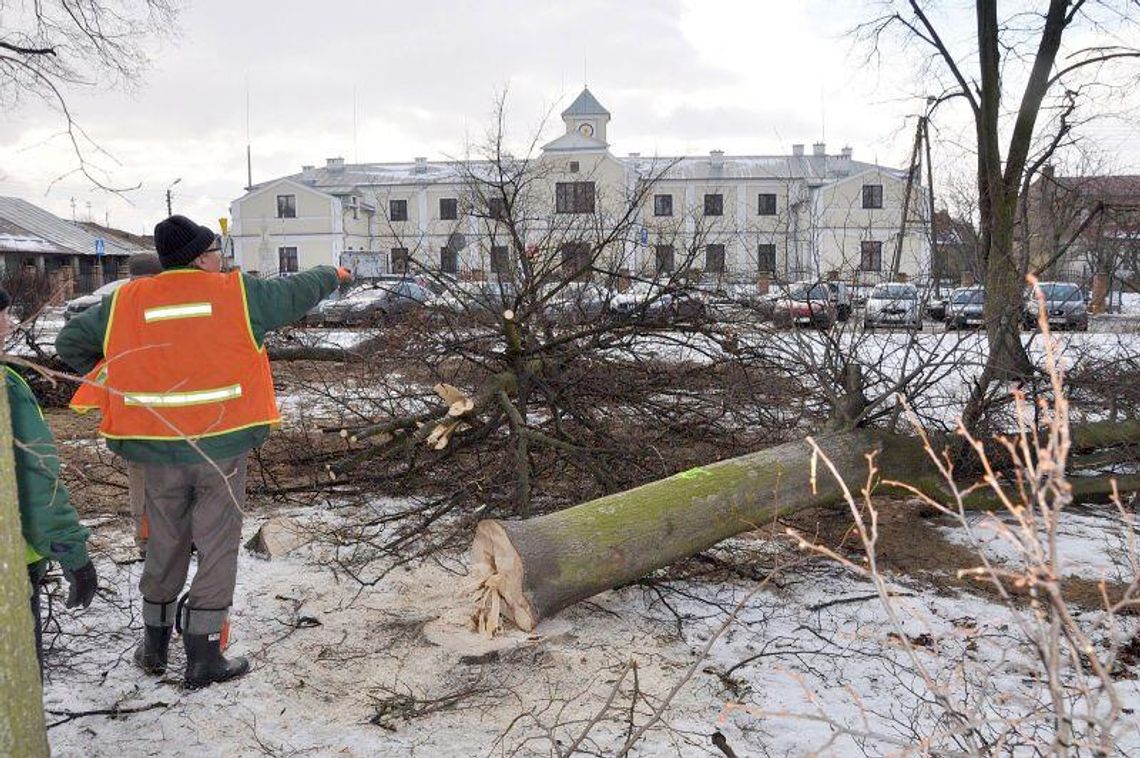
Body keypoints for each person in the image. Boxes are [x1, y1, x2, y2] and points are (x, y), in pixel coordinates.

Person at [57, 215, 350, 689]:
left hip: (155, 448)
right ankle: (204, 655)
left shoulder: (124, 302)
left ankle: (153, 647)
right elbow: (295, 291)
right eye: (215, 251)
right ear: (199, 257)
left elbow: (68, 342)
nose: (220, 259)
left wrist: (117, 377)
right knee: (216, 544)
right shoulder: (235, 293)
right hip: (221, 446)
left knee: (164, 540)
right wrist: (331, 276)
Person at [1, 287, 98, 673]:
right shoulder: (6, 387)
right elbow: (35, 477)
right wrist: (72, 552)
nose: (9, 324)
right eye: (2, 315)